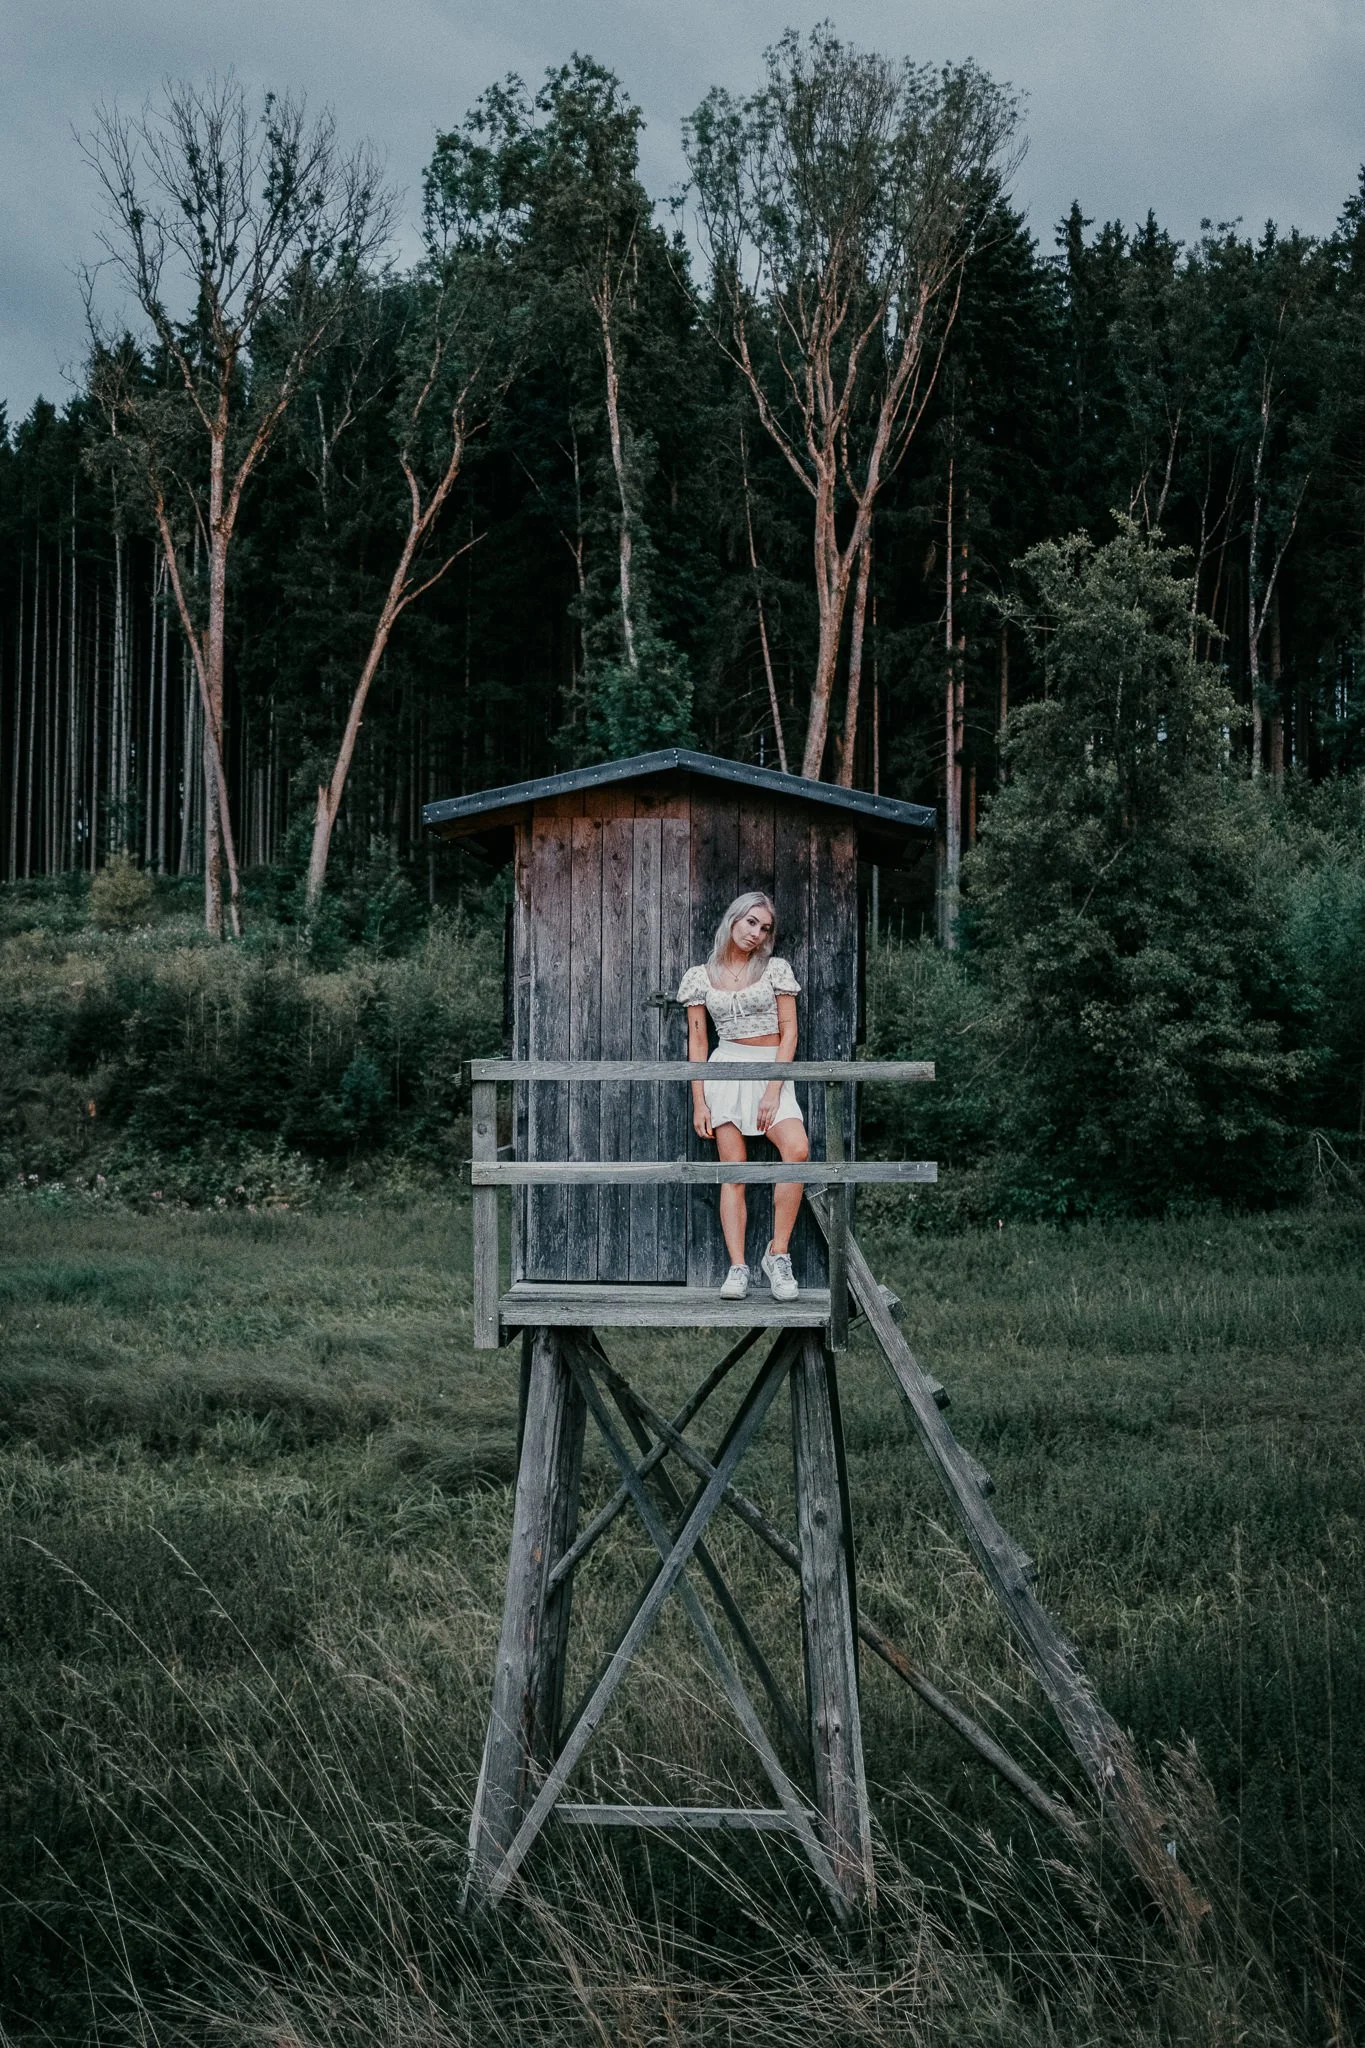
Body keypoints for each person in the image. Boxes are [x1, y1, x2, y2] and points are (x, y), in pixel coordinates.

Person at [676, 891, 810, 1301]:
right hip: (725, 1070)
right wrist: (699, 1100)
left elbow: (790, 1033)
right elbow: (699, 1041)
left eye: (764, 928)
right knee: (733, 1170)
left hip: (770, 1069)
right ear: (733, 920)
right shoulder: (699, 976)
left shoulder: (775, 969)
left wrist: (773, 1088)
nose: (756, 933)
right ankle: (738, 1267)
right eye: (751, 922)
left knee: (797, 1150)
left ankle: (778, 1254)